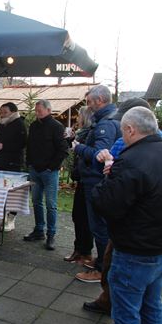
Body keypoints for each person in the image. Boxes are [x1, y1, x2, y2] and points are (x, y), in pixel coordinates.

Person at [82, 98, 162, 324]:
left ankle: (109, 306)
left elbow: (107, 203)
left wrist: (108, 175)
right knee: (152, 307)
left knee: (126, 316)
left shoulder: (131, 158)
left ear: (131, 129)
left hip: (135, 246)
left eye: (123, 129)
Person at [72, 85, 121, 283]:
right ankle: (102, 262)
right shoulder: (106, 119)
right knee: (98, 226)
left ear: (100, 100)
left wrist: (79, 147)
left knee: (99, 227)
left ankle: (102, 270)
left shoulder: (106, 124)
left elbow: (100, 155)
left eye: (90, 102)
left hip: (95, 181)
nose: (88, 105)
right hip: (94, 180)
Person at [24, 99, 68, 250]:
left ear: (48, 111)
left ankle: (51, 234)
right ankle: (38, 230)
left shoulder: (56, 126)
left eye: (39, 111)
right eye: (36, 111)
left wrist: (51, 167)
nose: (37, 113)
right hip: (35, 170)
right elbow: (29, 146)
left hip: (49, 172)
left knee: (51, 205)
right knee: (36, 201)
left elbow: (63, 150)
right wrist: (29, 163)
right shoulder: (34, 126)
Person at [64, 106, 94, 265]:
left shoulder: (90, 134)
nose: (77, 119)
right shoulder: (83, 134)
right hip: (81, 178)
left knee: (84, 218)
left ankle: (85, 253)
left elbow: (89, 156)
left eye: (79, 117)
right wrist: (71, 140)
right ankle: (80, 250)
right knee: (78, 216)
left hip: (87, 180)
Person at [0, 102, 27, 232]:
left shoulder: (19, 124)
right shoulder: (1, 123)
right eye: (0, 112)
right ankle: (1, 217)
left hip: (13, 163)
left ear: (13, 112)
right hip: (0, 162)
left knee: (12, 193)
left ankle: (11, 218)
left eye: (5, 112)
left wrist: (3, 146)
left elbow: (21, 144)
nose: (2, 114)